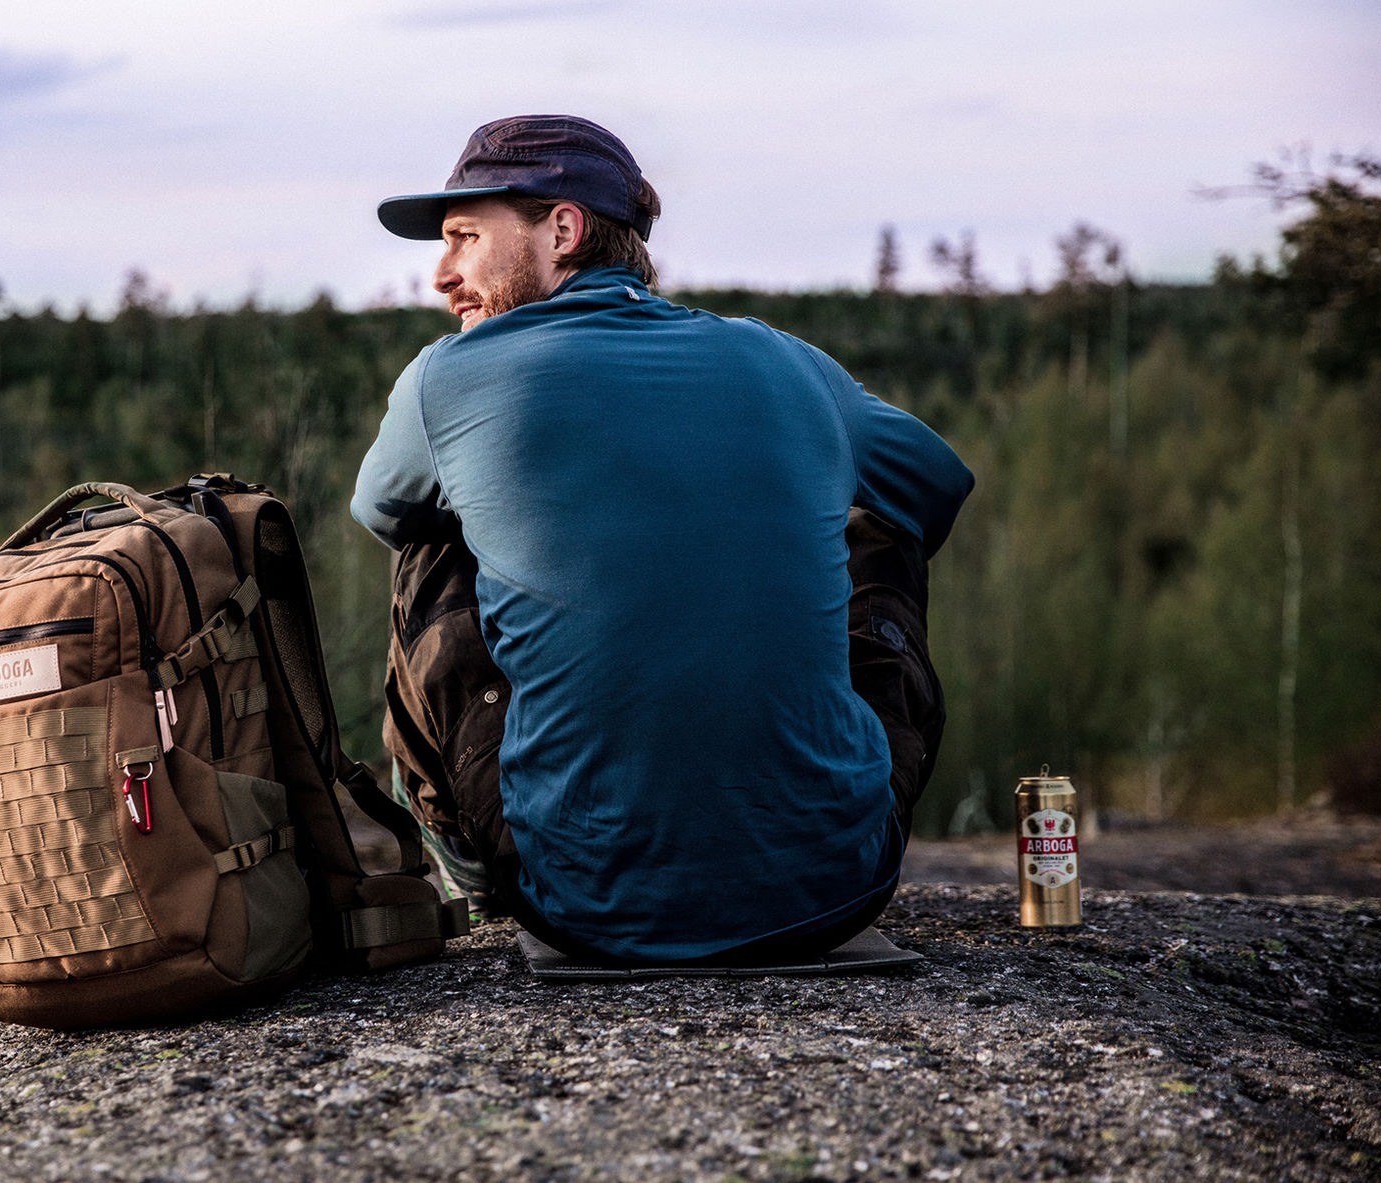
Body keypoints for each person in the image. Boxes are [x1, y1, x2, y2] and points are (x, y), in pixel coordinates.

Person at [351, 115, 974, 963]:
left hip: (574, 902)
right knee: (879, 526)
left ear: (562, 230)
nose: (441, 274)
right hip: (838, 886)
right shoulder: (788, 362)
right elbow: (932, 485)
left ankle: (471, 868)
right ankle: (803, 798)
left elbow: (384, 512)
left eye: (465, 236)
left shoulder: (446, 377)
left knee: (433, 539)